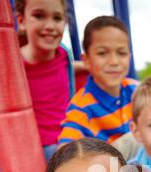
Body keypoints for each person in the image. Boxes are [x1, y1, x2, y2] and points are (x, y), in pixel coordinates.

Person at [57, 16, 139, 159]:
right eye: (102, 53)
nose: (114, 62)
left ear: (129, 57)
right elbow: (64, 154)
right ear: (87, 60)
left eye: (122, 53)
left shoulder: (137, 91)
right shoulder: (81, 107)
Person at [16, 0, 82, 161]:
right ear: (21, 21)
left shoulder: (63, 55)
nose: (50, 25)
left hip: (69, 134)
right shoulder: (15, 63)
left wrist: (90, 66)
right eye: (39, 16)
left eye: (57, 18)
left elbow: (63, 71)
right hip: (38, 146)